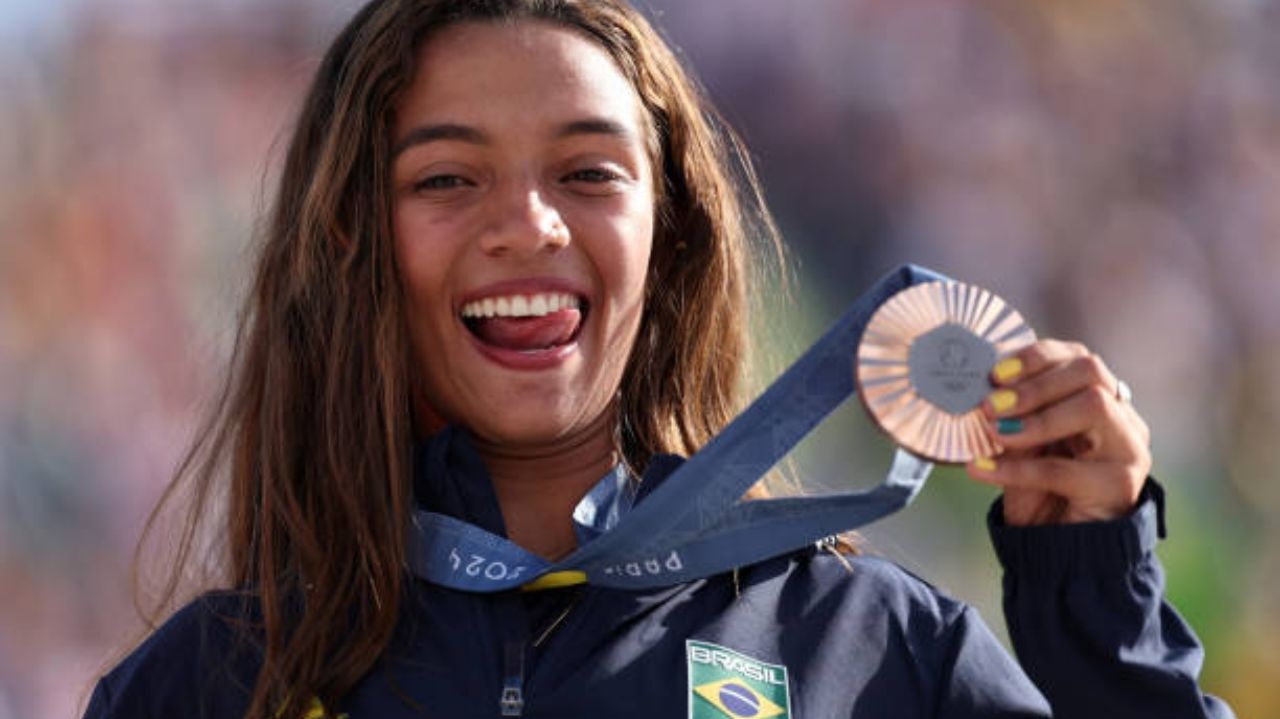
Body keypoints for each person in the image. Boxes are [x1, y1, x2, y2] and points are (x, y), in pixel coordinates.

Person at [83, 1, 1236, 717]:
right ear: (353, 239)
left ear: (669, 233)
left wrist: (1099, 622)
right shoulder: (211, 684)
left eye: (588, 172)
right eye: (445, 178)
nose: (528, 224)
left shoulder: (872, 651)